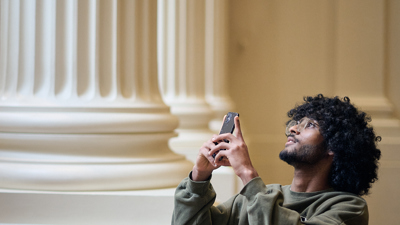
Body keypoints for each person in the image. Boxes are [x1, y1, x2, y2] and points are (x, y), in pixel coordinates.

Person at [172, 94, 381, 225]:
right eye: (296, 122)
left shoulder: (349, 208)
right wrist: (198, 178)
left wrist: (247, 173)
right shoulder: (252, 198)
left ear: (335, 145)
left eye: (310, 125)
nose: (292, 128)